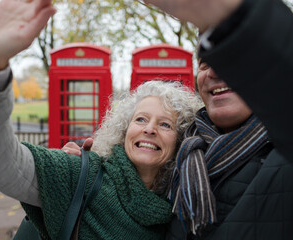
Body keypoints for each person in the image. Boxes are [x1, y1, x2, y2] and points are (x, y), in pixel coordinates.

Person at [0, 1, 202, 237]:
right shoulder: (78, 175)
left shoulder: (188, 202)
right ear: (123, 129)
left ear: (181, 140)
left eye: (165, 124)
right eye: (140, 119)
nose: (149, 129)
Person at [65, 0, 293, 238]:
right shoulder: (182, 151)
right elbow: (131, 170)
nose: (214, 72)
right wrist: (85, 166)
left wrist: (236, 16)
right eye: (205, 64)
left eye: (231, 61)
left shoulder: (284, 153)